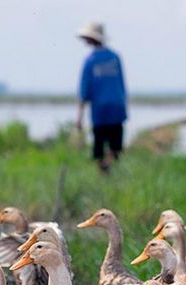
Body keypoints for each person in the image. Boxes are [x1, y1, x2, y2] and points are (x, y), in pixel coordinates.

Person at [76, 22, 127, 173]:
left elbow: (84, 91)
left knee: (99, 148)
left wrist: (79, 117)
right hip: (117, 107)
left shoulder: (90, 61)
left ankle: (103, 170)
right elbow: (122, 85)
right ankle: (108, 167)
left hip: (100, 110)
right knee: (115, 147)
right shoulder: (115, 58)